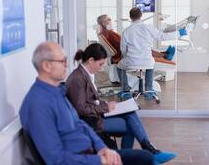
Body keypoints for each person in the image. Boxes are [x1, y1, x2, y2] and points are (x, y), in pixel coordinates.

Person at [19, 41, 155, 165]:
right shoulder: (38, 104)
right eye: (62, 61)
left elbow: (80, 124)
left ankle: (148, 148)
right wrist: (99, 160)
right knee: (143, 159)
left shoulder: (57, 92)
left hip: (91, 151)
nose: (67, 65)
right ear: (46, 66)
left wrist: (101, 148)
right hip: (84, 158)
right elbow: (56, 159)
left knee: (144, 157)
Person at [66, 43, 177, 164]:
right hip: (90, 121)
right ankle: (147, 152)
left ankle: (149, 150)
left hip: (96, 114)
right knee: (130, 126)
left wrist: (107, 104)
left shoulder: (85, 74)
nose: (102, 68)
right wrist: (105, 107)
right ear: (91, 60)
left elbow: (91, 101)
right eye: (100, 64)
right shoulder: (77, 78)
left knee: (130, 113)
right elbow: (80, 109)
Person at [117, 7, 187, 99]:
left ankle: (125, 91)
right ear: (141, 16)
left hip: (131, 61)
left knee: (119, 67)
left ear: (130, 17)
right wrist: (179, 33)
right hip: (147, 61)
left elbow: (123, 49)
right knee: (151, 64)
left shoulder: (126, 31)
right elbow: (163, 36)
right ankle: (149, 89)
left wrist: (127, 57)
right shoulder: (148, 28)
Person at [96, 14, 176, 64]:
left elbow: (120, 43)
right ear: (103, 23)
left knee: (141, 46)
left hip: (123, 51)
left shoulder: (106, 32)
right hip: (124, 53)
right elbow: (121, 44)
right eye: (108, 20)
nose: (110, 21)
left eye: (110, 19)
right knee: (142, 47)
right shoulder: (109, 33)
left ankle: (164, 54)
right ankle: (164, 55)